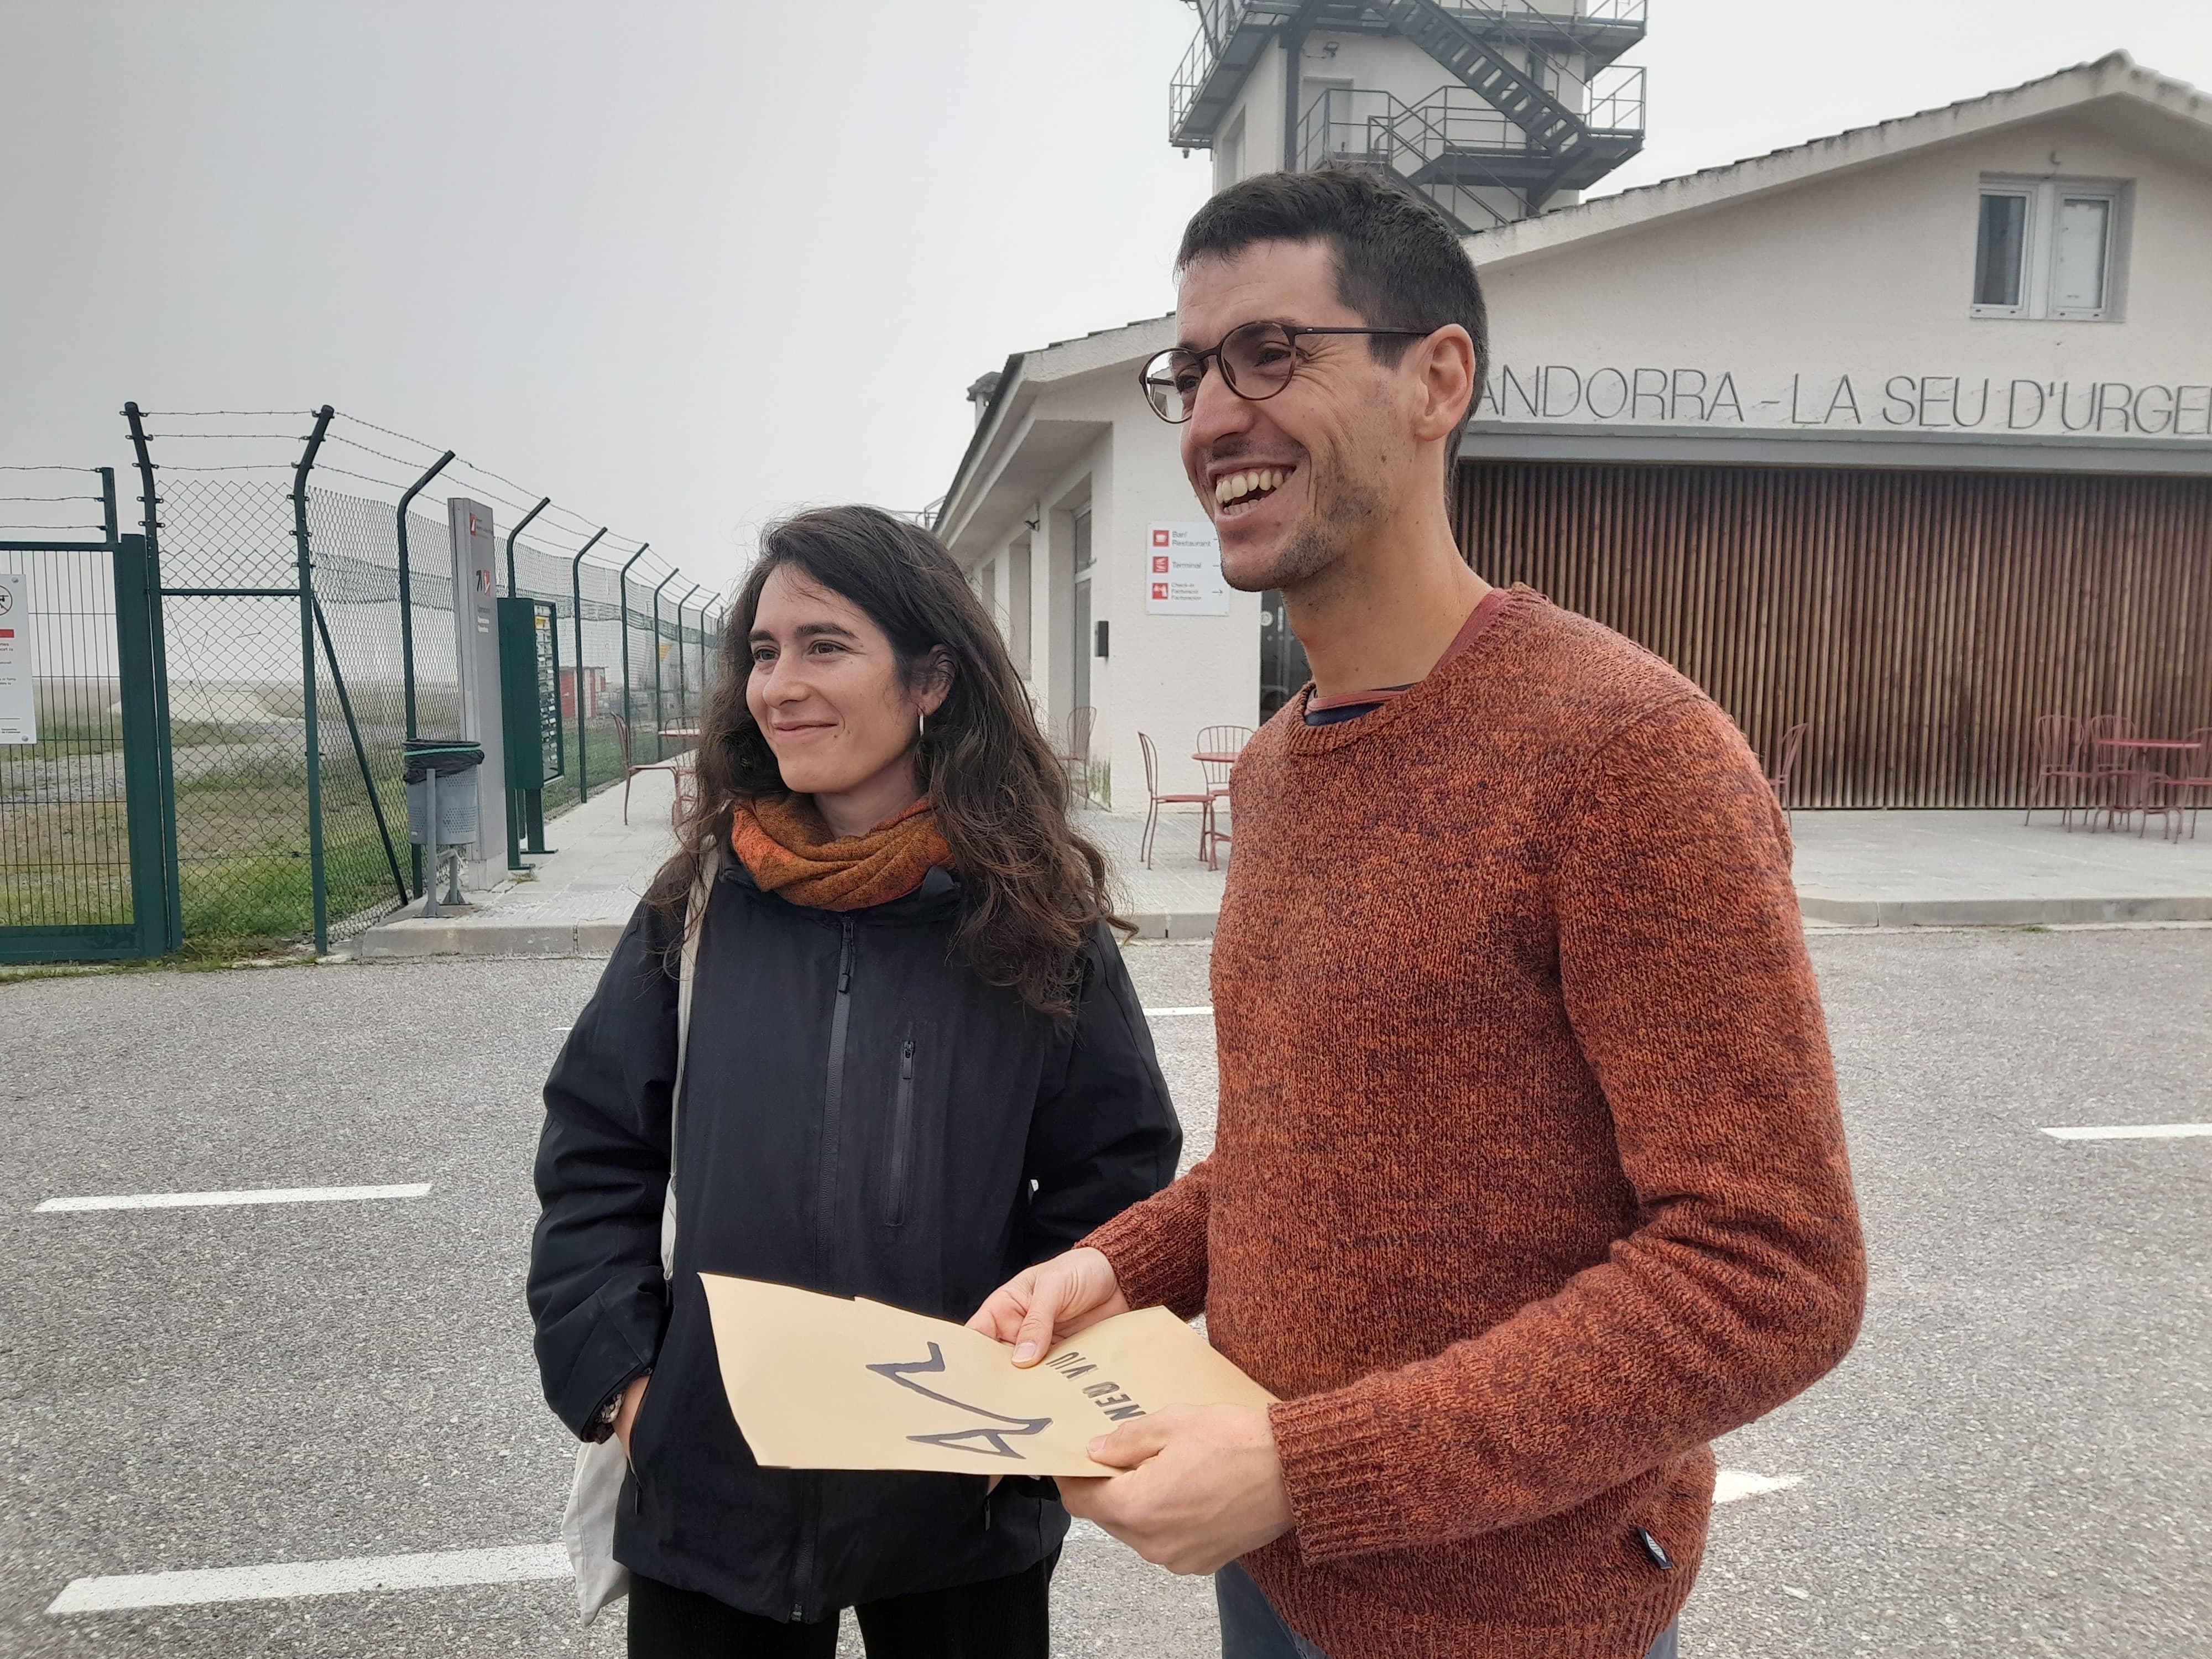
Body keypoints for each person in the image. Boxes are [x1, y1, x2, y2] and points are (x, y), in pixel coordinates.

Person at [969, 168, 1866, 1659]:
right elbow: (1306, 1152)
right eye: (1190, 374)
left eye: (1270, 355)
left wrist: (1304, 1469)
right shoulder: (1279, 767)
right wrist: (1115, 1267)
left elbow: (1774, 1270)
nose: (1212, 418)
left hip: (1513, 1614)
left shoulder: (1626, 755)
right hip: (1280, 1572)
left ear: (1436, 379)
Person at [529, 505, 1181, 1658]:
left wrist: (1023, 1411)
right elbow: (596, 1152)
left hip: (959, 1494)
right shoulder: (696, 908)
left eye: (823, 646)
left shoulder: (1034, 922)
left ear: (929, 677)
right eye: (763, 652)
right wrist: (629, 1388)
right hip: (713, 1490)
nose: (779, 686)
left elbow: (1115, 1178)